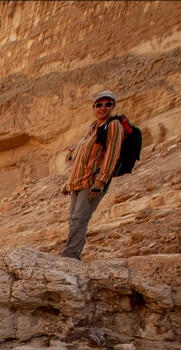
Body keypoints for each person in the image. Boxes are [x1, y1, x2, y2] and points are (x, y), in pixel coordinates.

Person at [61, 90, 124, 261]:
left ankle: (71, 256)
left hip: (92, 181)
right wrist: (68, 183)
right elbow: (81, 157)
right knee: (74, 220)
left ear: (113, 106)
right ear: (94, 107)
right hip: (78, 181)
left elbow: (112, 154)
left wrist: (101, 180)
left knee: (80, 219)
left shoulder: (113, 125)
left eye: (107, 104)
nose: (103, 108)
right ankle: (70, 253)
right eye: (99, 104)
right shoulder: (92, 128)